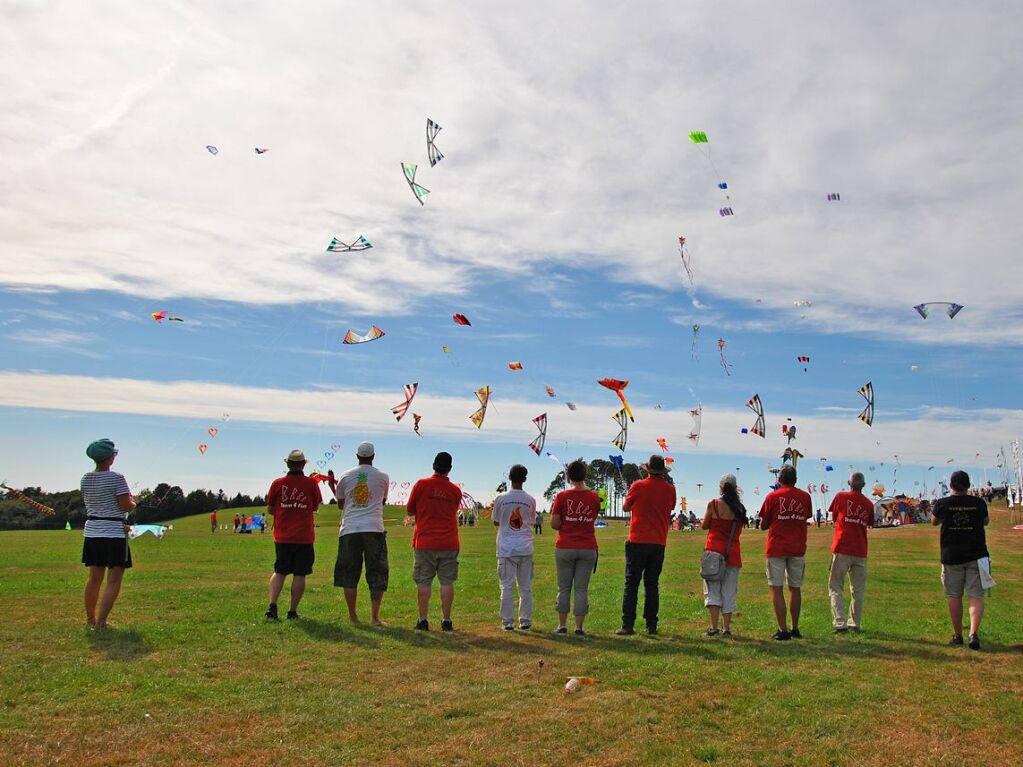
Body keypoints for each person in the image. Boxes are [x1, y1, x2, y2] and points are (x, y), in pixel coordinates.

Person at [328, 442, 390, 625]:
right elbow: (382, 501)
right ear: (373, 456)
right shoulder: (383, 477)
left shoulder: (345, 476)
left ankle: (353, 617)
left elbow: (341, 505)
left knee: (349, 573)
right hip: (374, 529)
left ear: (357, 456)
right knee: (377, 573)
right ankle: (375, 618)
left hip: (350, 530)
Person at [616, 455, 675, 636]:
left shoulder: (638, 486)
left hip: (637, 540)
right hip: (658, 541)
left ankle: (628, 625)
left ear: (648, 469)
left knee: (631, 583)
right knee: (652, 584)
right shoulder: (670, 489)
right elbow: (670, 507)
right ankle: (651, 625)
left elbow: (626, 508)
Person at [931, 470, 990, 650]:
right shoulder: (979, 503)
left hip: (952, 556)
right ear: (969, 485)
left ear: (951, 486)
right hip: (977, 554)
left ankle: (958, 635)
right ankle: (973, 633)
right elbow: (986, 521)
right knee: (976, 595)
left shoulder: (943, 503)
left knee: (954, 595)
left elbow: (934, 521)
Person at [81, 438, 136, 629]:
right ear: (109, 458)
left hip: (92, 532)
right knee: (114, 579)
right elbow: (125, 505)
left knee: (94, 578)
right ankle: (102, 621)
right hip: (113, 534)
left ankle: (90, 620)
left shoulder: (86, 478)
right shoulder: (117, 478)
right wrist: (133, 502)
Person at [264, 449, 322, 621]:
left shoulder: (277, 483)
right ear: (303, 464)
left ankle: (272, 606)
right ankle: (292, 611)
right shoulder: (311, 484)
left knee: (279, 571)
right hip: (304, 536)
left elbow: (270, 509)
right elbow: (315, 507)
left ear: (287, 464)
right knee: (300, 574)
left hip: (282, 536)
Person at [407, 452, 462, 631]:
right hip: (448, 541)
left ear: (433, 466)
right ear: (450, 469)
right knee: (447, 582)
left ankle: (423, 619)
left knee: (424, 581)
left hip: (425, 541)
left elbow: (410, 510)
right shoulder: (455, 490)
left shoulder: (421, 485)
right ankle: (446, 620)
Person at [759, 465, 812, 640]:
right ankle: (795, 628)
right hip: (797, 547)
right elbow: (806, 516)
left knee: (776, 588)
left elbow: (764, 524)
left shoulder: (772, 497)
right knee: (795, 588)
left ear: (779, 480)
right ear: (795, 479)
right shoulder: (805, 497)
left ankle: (783, 630)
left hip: (776, 547)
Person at [550, 460, 600, 636]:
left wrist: (568, 522)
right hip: (587, 546)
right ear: (584, 476)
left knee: (564, 588)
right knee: (581, 589)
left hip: (565, 545)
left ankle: (562, 625)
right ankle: (579, 627)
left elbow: (555, 523)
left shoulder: (562, 497)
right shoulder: (594, 497)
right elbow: (592, 518)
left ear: (569, 476)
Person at [491, 464, 537, 630]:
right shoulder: (530, 499)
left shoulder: (501, 499)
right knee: (525, 587)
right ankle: (525, 621)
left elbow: (496, 521)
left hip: (506, 549)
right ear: (524, 479)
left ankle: (508, 622)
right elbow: (530, 521)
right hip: (525, 547)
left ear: (509, 478)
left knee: (506, 587)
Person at [828, 472, 875, 633]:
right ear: (863, 484)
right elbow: (869, 522)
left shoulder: (841, 496)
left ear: (849, 482)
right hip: (860, 549)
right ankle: (855, 623)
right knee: (858, 590)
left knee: (836, 586)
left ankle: (840, 623)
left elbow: (834, 517)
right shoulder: (869, 504)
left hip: (842, 547)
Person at [701, 474, 746, 637]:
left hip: (713, 552)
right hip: (732, 553)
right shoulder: (740, 509)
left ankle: (713, 627)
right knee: (729, 591)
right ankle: (726, 628)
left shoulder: (713, 504)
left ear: (721, 487)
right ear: (735, 488)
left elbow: (705, 525)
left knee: (712, 590)